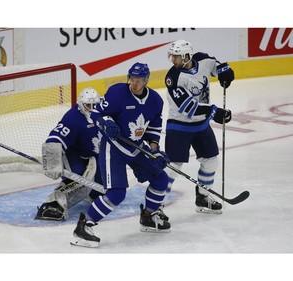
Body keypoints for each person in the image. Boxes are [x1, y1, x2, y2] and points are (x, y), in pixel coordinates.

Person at [70, 62, 171, 248]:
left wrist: (155, 150)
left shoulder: (155, 101)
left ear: (146, 80)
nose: (134, 83)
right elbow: (97, 113)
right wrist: (107, 122)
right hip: (114, 147)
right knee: (117, 194)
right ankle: (84, 227)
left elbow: (154, 128)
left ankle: (148, 216)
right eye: (132, 79)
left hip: (137, 147)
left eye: (139, 80)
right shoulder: (117, 93)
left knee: (161, 180)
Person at [163, 39, 235, 214]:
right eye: (172, 56)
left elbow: (217, 66)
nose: (173, 61)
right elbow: (189, 108)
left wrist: (225, 72)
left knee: (211, 161)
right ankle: (156, 206)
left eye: (177, 57)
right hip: (179, 127)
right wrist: (214, 112)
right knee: (173, 167)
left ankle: (203, 197)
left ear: (187, 56)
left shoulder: (202, 59)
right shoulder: (173, 78)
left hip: (201, 126)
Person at [35, 87, 103, 221]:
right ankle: (54, 202)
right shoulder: (73, 118)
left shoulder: (105, 112)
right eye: (87, 105)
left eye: (94, 105)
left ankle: (92, 193)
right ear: (81, 104)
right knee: (78, 175)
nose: (91, 108)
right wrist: (53, 160)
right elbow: (56, 137)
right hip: (74, 154)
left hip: (94, 154)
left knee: (101, 189)